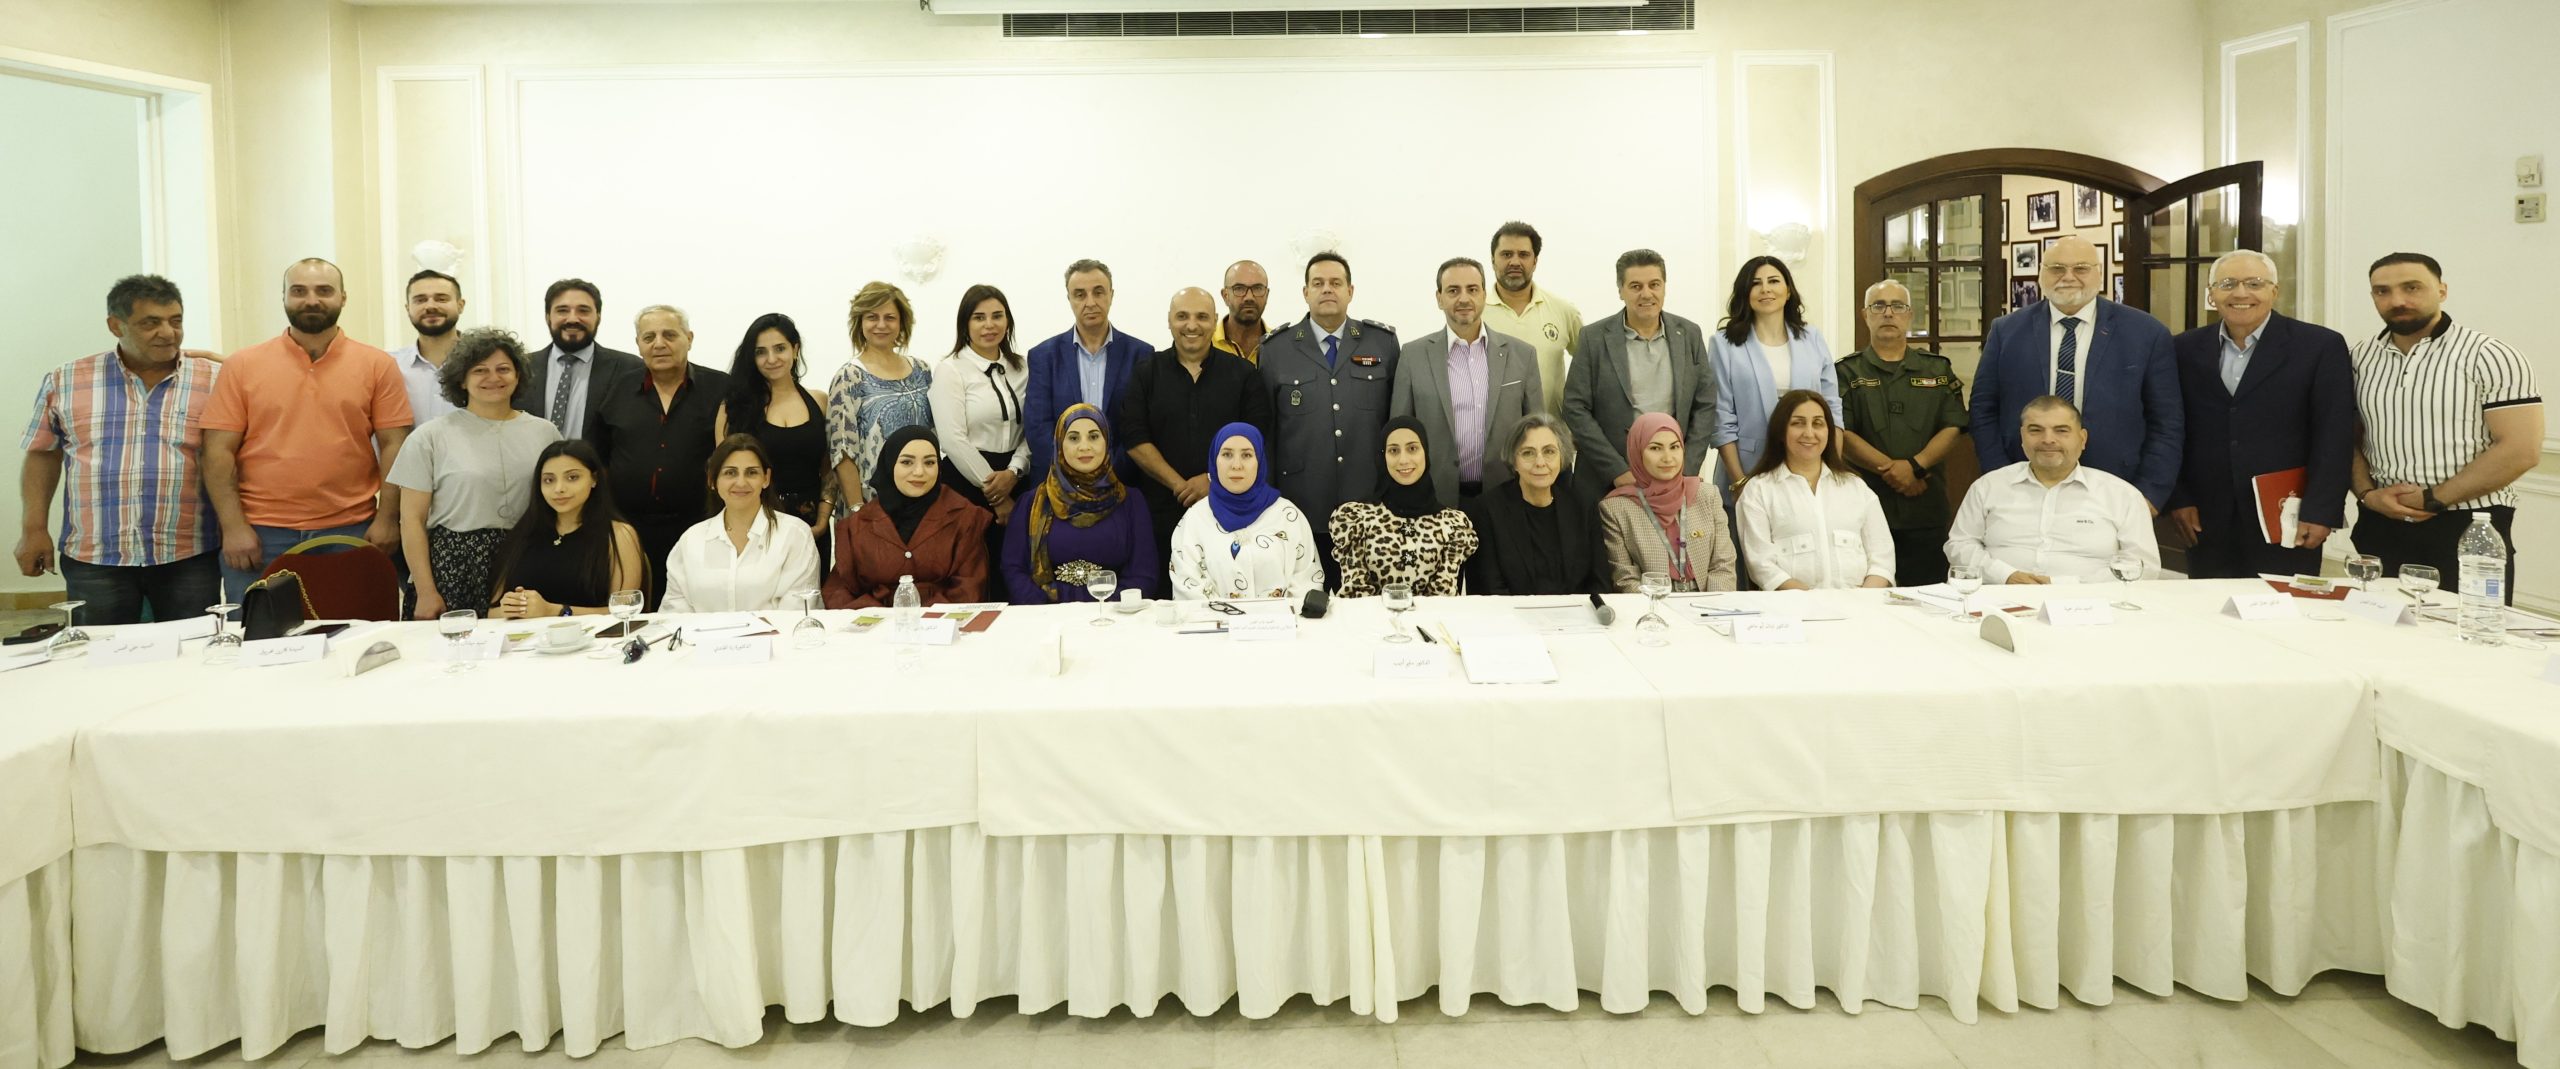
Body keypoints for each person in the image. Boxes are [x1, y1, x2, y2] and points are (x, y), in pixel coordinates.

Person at [202, 258, 415, 602]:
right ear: (284, 297)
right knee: (260, 632)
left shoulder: (377, 365)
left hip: (352, 529)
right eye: (299, 291)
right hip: (260, 534)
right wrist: (233, 527)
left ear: (343, 297)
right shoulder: (243, 365)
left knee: (356, 628)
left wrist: (388, 518)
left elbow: (395, 444)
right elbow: (217, 451)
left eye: (324, 291)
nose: (311, 300)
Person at [14, 275, 222, 625]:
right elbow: (42, 454)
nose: (168, 333)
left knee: (194, 646)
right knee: (98, 651)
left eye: (175, 321)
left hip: (189, 553)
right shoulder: (67, 380)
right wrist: (34, 528)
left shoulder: (213, 379)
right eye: (150, 323)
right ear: (116, 325)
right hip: (96, 555)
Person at [2349, 252, 2542, 601]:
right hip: (2381, 522)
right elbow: (2345, 439)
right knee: (2376, 627)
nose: (2397, 300)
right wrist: (2367, 494)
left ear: (2442, 291)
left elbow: (2520, 450)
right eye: (2382, 291)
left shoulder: (2490, 355)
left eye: (2412, 287)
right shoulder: (2359, 357)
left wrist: (2433, 498)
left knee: (2467, 627)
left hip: (2470, 527)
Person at [2167, 251, 2356, 578]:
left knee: (2286, 602)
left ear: (2274, 291)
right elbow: (2172, 427)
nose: (2241, 293)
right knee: (2209, 604)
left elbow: (2334, 434)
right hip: (2206, 516)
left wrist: (2321, 510)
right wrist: (2178, 499)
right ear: (2211, 294)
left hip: (2287, 512)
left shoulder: (2319, 346)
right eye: (2227, 284)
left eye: (2254, 283)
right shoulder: (2183, 348)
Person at [1971, 235, 2181, 509]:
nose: (2068, 277)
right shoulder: (2006, 331)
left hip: (2117, 489)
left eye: (2081, 268)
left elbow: (2167, 421)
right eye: (2057, 268)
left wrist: (2149, 494)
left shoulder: (2146, 333)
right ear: (2041, 274)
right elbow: (1983, 409)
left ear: (2099, 273)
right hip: (2021, 486)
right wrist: (1998, 477)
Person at [385, 328, 561, 619]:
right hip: (455, 567)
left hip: (528, 558)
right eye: (480, 370)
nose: (493, 378)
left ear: (518, 376)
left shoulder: (545, 432)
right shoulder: (430, 436)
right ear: (462, 380)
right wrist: (427, 591)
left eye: (503, 369)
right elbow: (412, 520)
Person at [1258, 252, 1398, 582]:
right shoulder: (1275, 349)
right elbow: (1268, 433)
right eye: (1318, 283)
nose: (1327, 289)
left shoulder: (1383, 343)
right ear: (1305, 292)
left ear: (1351, 291)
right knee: (1306, 602)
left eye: (1336, 283)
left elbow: (1396, 422)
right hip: (1301, 505)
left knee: (1369, 603)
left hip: (1370, 504)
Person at [586, 303, 730, 607]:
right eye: (649, 337)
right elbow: (598, 458)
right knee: (637, 611)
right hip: (630, 531)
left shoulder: (722, 389)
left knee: (700, 610)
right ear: (638, 345)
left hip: (702, 526)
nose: (659, 344)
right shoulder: (615, 390)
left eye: (669, 335)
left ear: (689, 338)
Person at [1124, 287, 1273, 577]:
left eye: (1202, 317)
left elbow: (1257, 434)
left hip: (1229, 511)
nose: (1192, 325)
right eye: (1182, 316)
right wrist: (1178, 485)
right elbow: (1134, 437)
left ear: (1214, 320)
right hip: (1158, 514)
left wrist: (1211, 479)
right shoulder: (1146, 373)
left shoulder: (1244, 374)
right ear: (1169, 320)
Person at [1835, 279, 1967, 585]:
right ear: (1865, 315)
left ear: (1909, 315)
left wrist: (1914, 467)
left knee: (1927, 594)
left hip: (1925, 504)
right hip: (1866, 503)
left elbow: (1954, 425)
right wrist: (1895, 472)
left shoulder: (1937, 370)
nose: (1888, 313)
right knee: (1866, 596)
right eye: (1878, 306)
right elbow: (1843, 433)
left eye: (1897, 306)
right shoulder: (1846, 372)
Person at [1947, 395, 2159, 584]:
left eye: (2061, 431)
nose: (2048, 439)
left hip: (2091, 603)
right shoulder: (1988, 486)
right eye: (2035, 430)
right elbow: (1960, 544)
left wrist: (2066, 585)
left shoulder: (2122, 495)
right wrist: (2005, 575)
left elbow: (2143, 566)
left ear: (2082, 439)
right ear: (2022, 437)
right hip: (1998, 598)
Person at [1392, 257, 1544, 508]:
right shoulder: (1412, 356)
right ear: (1439, 298)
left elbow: (1537, 431)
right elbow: (1398, 433)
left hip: (1507, 495)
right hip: (1434, 498)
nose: (1464, 298)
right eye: (1453, 291)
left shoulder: (1522, 355)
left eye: (1472, 289)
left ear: (1484, 295)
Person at [1561, 249, 1717, 489]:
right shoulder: (1593, 338)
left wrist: (1685, 469)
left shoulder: (1689, 334)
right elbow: (1575, 407)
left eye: (1654, 285)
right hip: (1607, 480)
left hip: (1673, 475)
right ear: (1620, 291)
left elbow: (1705, 404)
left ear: (1664, 287)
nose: (1646, 294)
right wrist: (1617, 470)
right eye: (1635, 286)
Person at [925, 285, 1029, 598]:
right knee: (976, 577)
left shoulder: (1022, 367)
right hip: (968, 481)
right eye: (979, 317)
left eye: (997, 316)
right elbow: (952, 439)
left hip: (1017, 477)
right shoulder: (951, 369)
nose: (989, 325)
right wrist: (997, 495)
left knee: (1018, 570)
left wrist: (1015, 471)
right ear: (965, 324)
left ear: (1008, 321)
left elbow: (1033, 427)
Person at [1708, 255, 1839, 498]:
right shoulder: (1723, 344)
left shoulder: (1812, 338)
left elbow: (1832, 407)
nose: (1765, 289)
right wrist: (1738, 481)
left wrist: (1832, 468)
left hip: (1808, 464)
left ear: (1788, 291)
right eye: (1756, 283)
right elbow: (1721, 417)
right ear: (1745, 292)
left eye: (1774, 281)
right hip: (1748, 466)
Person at [1735, 390, 1893, 590]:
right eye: (1798, 423)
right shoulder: (1759, 490)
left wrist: (1861, 601)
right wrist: (1813, 602)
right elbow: (1761, 565)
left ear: (1829, 431)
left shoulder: (1856, 487)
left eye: (1818, 423)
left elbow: (1882, 559)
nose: (1809, 433)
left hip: (1860, 604)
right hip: (1791, 606)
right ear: (1781, 431)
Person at [1003, 403, 1161, 604]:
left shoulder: (1130, 501)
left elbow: (1144, 574)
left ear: (1107, 442)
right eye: (1073, 438)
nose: (1084, 446)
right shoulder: (1032, 503)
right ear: (1059, 444)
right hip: (1047, 614)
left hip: (1114, 614)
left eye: (1094, 437)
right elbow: (1013, 569)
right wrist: (1048, 608)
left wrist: (1105, 608)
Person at [825, 426, 990, 609]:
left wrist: (925, 619)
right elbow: (839, 590)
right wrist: (879, 618)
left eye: (929, 463)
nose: (919, 472)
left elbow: (969, 589)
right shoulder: (858, 524)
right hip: (875, 622)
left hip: (943, 622)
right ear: (889, 464)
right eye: (906, 462)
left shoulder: (964, 517)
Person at [1024, 259, 1154, 487]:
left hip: (1121, 483)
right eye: (1080, 294)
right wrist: (1074, 472)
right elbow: (1038, 427)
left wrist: (1106, 474)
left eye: (1098, 292)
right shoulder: (1043, 356)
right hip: (1059, 485)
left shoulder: (1141, 354)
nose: (1090, 302)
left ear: (1111, 295)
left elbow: (1141, 426)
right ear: (1069, 299)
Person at [661, 434, 823, 613]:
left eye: (751, 472)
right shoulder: (691, 540)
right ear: (712, 480)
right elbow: (674, 616)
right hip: (702, 633)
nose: (741, 482)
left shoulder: (795, 535)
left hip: (776, 633)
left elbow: (797, 614)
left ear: (766, 478)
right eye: (730, 473)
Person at [716, 313, 832, 559]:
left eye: (780, 349)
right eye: (761, 352)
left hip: (812, 525)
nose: (771, 359)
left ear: (795, 349)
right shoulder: (733, 408)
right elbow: (725, 473)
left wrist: (822, 521)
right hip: (753, 526)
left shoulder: (820, 401)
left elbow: (828, 469)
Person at [488, 440, 647, 618]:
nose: (559, 489)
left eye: (572, 477)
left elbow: (625, 611)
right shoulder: (523, 533)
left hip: (594, 635)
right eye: (549, 480)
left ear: (594, 479)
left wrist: (554, 611)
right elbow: (492, 613)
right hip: (525, 635)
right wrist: (511, 608)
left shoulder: (619, 535)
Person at [1168, 422, 1324, 601]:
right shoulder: (1194, 520)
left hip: (1281, 619)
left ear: (1260, 461)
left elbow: (1307, 583)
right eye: (1227, 454)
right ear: (1214, 461)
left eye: (1247, 455)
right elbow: (1188, 587)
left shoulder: (1288, 516)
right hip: (1214, 619)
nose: (1236, 465)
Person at [1328, 417, 1479, 598]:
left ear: (1425, 453)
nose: (1403, 460)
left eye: (1412, 448)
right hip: (1371, 616)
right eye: (1393, 451)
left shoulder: (1453, 525)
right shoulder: (1355, 519)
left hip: (1431, 617)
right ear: (1383, 457)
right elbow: (1356, 597)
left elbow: (1443, 599)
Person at [1464, 414, 1608, 596]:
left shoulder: (1583, 505)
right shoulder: (1487, 509)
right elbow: (1489, 588)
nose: (1540, 462)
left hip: (1577, 612)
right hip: (1512, 612)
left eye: (1549, 452)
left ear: (1561, 457)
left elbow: (1600, 583)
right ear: (1514, 461)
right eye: (1528, 453)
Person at [1598, 412, 1736, 593]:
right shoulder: (1616, 509)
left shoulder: (1707, 495)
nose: (1668, 458)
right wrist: (1660, 606)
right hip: (1652, 603)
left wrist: (1712, 605)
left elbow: (1723, 565)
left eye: (1674, 447)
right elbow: (1625, 579)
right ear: (1637, 451)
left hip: (1708, 602)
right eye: (1655, 448)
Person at [827, 281, 935, 508]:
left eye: (890, 317)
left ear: (902, 322)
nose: (881, 325)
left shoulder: (922, 370)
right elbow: (843, 452)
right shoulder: (849, 376)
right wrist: (858, 510)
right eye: (872, 317)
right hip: (872, 503)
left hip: (922, 497)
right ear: (860, 322)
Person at [513, 278, 642, 440]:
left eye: (583, 310)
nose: (573, 319)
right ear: (548, 317)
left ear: (598, 317)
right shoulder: (520, 367)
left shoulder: (629, 368)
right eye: (562, 310)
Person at [1479, 221, 1584, 416]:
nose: (1515, 262)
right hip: (1489, 432)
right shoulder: (1476, 314)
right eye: (1506, 254)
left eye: (1523, 255)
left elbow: (1590, 368)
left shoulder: (1564, 311)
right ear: (1493, 260)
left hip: (1551, 431)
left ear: (1535, 261)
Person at [391, 270, 466, 426]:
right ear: (408, 308)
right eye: (420, 300)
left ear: (460, 305)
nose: (430, 306)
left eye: (441, 299)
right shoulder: (389, 365)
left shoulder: (484, 363)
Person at [1215, 260, 1276, 364]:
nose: (1249, 297)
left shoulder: (1279, 344)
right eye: (1239, 288)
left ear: (1267, 295)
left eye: (1257, 288)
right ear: (1225, 296)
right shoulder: (1206, 343)